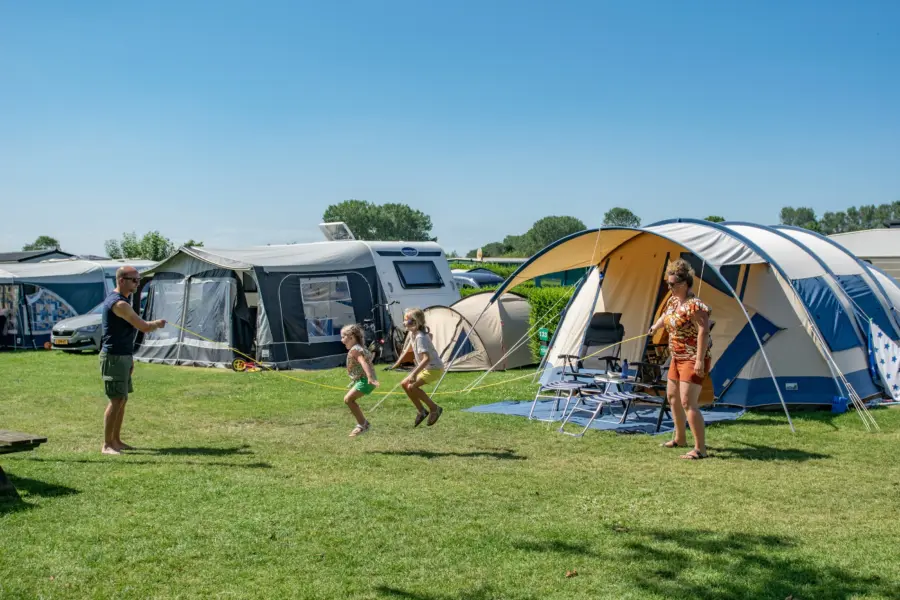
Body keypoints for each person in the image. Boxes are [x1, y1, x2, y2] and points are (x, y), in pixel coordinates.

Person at [648, 259, 712, 460]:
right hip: (676, 357)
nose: (669, 287)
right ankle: (680, 438)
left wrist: (700, 360)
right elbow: (666, 315)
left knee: (687, 402)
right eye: (668, 283)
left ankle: (700, 449)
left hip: (693, 358)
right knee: (673, 398)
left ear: (684, 283)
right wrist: (656, 326)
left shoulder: (695, 306)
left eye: (672, 284)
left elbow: (703, 331)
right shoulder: (674, 301)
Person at [100, 266, 166, 455]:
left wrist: (129, 358)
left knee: (122, 400)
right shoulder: (119, 304)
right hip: (113, 357)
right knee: (116, 399)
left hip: (123, 355)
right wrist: (157, 324)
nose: (137, 284)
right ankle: (106, 445)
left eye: (138, 280)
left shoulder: (124, 300)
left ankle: (116, 441)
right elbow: (143, 327)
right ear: (121, 280)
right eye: (134, 280)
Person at [400, 308, 444, 427]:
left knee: (412, 387)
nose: (404, 322)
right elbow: (430, 335)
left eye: (406, 320)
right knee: (404, 384)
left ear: (415, 322)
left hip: (434, 368)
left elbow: (426, 359)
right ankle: (422, 411)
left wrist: (414, 374)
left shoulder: (420, 337)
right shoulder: (413, 334)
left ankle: (434, 408)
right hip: (427, 368)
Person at [341, 323, 380, 437]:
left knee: (348, 399)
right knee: (349, 400)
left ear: (352, 337)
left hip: (365, 380)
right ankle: (363, 423)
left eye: (343, 337)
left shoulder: (355, 350)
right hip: (362, 380)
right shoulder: (361, 348)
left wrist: (369, 377)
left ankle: (363, 424)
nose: (342, 340)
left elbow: (363, 362)